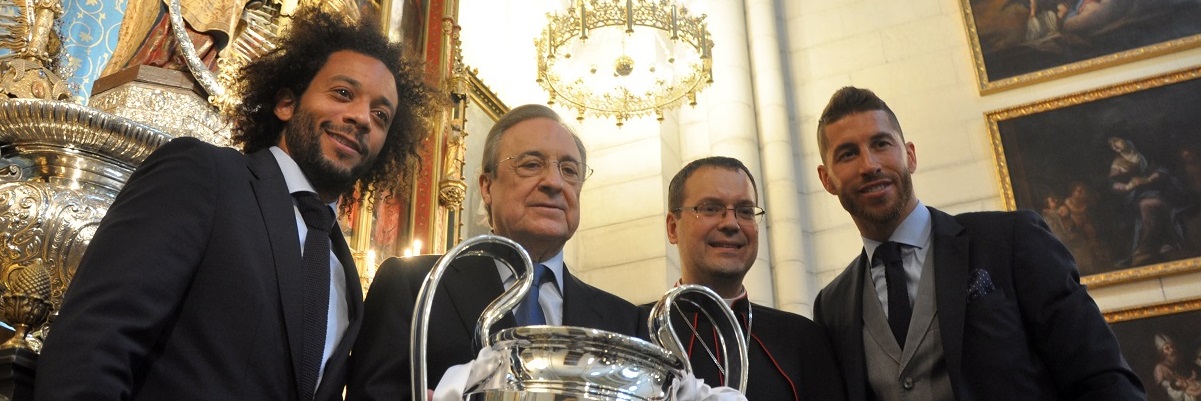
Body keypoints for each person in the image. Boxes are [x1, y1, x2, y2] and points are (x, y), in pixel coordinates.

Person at [35, 7, 438, 401]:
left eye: (381, 115)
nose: (363, 118)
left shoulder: (344, 272)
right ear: (286, 104)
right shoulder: (203, 175)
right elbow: (93, 345)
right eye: (343, 93)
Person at [811, 86, 1144, 401]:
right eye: (848, 154)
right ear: (828, 179)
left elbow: (1102, 376)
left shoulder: (1012, 239)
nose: (869, 165)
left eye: (881, 144)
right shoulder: (832, 306)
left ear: (910, 156)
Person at [345, 104, 642, 401]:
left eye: (569, 170)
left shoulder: (626, 322)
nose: (554, 182)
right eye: (531, 164)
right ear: (487, 186)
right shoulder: (414, 285)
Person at [642, 156, 846, 401]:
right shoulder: (637, 330)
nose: (731, 223)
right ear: (673, 228)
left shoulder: (802, 340)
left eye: (745, 211)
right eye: (710, 208)